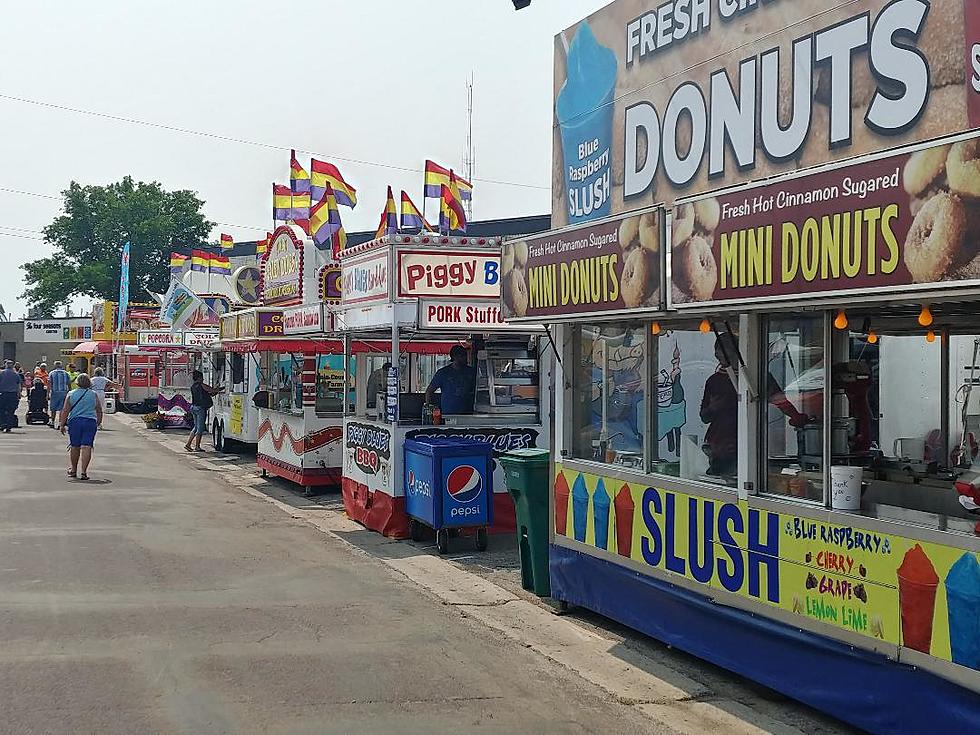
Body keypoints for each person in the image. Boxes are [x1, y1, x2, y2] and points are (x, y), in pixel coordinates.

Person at [700, 333, 807, 477]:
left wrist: (796, 416)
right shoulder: (714, 381)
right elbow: (704, 417)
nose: (721, 359)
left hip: (751, 439)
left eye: (726, 354)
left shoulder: (757, 376)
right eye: (718, 355)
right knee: (722, 480)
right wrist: (714, 408)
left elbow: (780, 400)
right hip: (719, 444)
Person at [60, 373, 103, 480]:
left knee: (75, 446)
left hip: (75, 421)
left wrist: (62, 423)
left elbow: (65, 410)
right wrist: (98, 421)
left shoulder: (71, 394)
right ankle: (84, 472)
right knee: (87, 446)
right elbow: (98, 409)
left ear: (77, 382)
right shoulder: (93, 394)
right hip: (90, 421)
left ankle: (73, 469)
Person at [426, 345, 476, 415]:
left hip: (468, 413)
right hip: (448, 414)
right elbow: (429, 391)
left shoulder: (472, 372)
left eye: (465, 355)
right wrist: (429, 409)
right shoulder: (443, 373)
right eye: (462, 356)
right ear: (454, 357)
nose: (466, 358)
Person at [185, 370, 221, 452]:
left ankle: (188, 444)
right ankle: (197, 446)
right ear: (199, 378)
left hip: (193, 407)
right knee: (200, 428)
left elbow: (208, 393)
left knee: (196, 427)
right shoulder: (201, 385)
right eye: (202, 378)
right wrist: (219, 388)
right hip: (200, 408)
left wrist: (215, 391)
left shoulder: (193, 386)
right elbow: (212, 390)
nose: (203, 379)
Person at [48, 361, 71, 428]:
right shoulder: (66, 373)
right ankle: (60, 422)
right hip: (64, 392)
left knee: (53, 408)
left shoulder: (52, 373)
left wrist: (48, 393)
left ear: (55, 366)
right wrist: (70, 391)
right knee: (62, 408)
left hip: (55, 392)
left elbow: (49, 384)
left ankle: (52, 421)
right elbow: (68, 383)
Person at [0, 360, 21, 432]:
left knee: (1, 409)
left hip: (3, 394)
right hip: (12, 394)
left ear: (5, 365)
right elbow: (18, 385)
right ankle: (9, 425)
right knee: (11, 411)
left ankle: (3, 424)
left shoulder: (1, 373)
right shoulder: (16, 374)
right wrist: (19, 394)